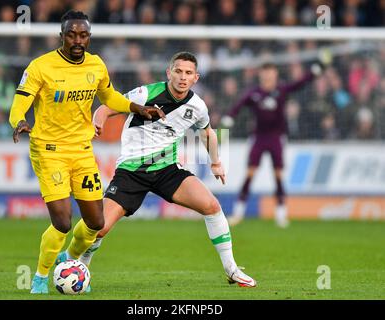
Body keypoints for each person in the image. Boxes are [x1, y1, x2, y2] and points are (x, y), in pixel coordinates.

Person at [57, 51, 257, 288]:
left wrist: (215, 162)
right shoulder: (145, 93)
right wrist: (98, 120)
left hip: (167, 170)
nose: (183, 77)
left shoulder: (197, 106)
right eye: (179, 71)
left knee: (212, 206)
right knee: (99, 229)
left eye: (188, 73)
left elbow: (207, 132)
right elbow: (108, 107)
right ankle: (81, 263)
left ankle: (231, 269)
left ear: (196, 78)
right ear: (169, 73)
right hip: (132, 171)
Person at [8, 10, 164, 294]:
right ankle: (41, 277)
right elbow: (20, 102)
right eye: (72, 35)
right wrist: (18, 121)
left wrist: (137, 108)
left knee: (95, 221)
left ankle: (68, 262)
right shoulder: (41, 66)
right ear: (62, 36)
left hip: (81, 150)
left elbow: (110, 96)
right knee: (63, 222)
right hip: (49, 150)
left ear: (89, 37)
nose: (78, 40)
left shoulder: (96, 65)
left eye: (83, 35)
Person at [222, 58, 327, 228]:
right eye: (265, 73)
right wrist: (229, 117)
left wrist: (314, 72)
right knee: (250, 174)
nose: (268, 77)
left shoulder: (282, 90)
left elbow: (300, 84)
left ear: (275, 74)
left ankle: (281, 214)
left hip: (276, 137)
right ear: (261, 75)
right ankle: (238, 213)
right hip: (259, 137)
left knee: (278, 175)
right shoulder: (254, 93)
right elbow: (239, 104)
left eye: (271, 73)